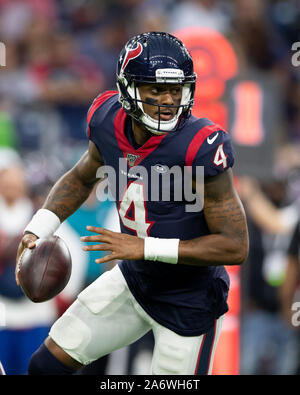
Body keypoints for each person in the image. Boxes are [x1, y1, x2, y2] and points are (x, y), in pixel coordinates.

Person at [15, 32, 249, 375]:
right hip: (134, 281)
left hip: (188, 301)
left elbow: (235, 246)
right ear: (128, 89)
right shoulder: (107, 119)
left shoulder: (200, 144)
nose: (168, 100)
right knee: (44, 367)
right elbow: (82, 177)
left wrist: (145, 247)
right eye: (156, 90)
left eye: (175, 89)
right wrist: (39, 227)